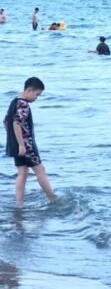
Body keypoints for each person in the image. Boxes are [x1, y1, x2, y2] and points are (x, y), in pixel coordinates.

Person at [4, 77, 56, 207]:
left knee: (23, 172)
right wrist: (21, 144)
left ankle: (19, 204)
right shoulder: (24, 104)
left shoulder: (14, 101)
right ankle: (52, 199)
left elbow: (6, 121)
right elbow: (17, 123)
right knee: (40, 170)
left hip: (15, 144)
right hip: (26, 144)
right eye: (37, 94)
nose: (36, 98)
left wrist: (12, 139)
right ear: (29, 90)